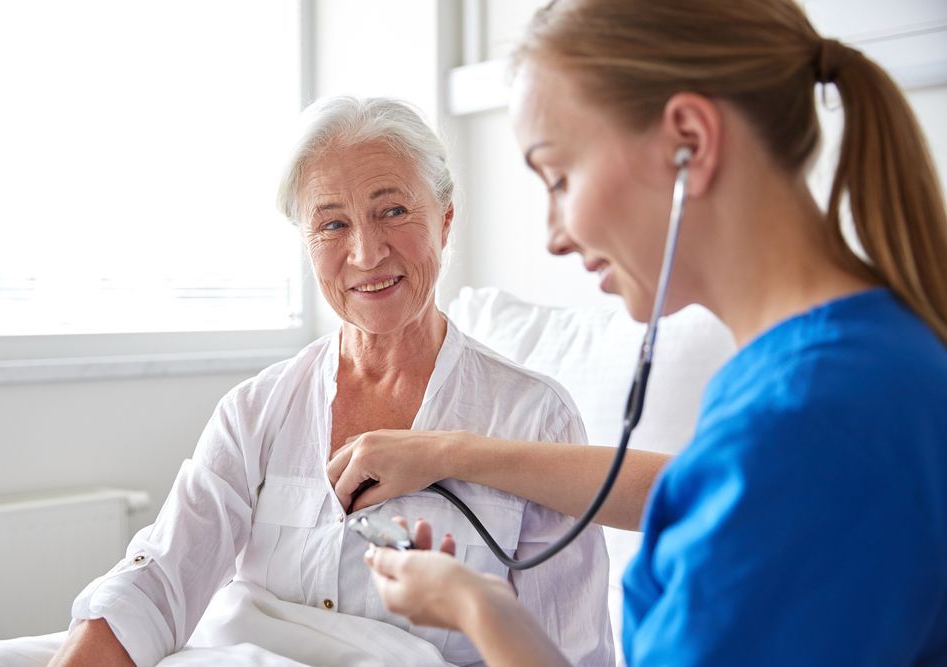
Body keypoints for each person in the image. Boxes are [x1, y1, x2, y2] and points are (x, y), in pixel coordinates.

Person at [327, 0, 947, 665]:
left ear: (690, 142)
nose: (555, 235)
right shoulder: (873, 357)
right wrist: (454, 469)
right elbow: (698, 488)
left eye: (560, 177)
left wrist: (476, 608)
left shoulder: (803, 424)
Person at [0, 98, 621, 667]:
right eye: (333, 222)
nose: (365, 252)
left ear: (446, 219)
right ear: (306, 241)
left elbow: (570, 652)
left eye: (392, 211)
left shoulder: (534, 420)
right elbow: (162, 574)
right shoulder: (258, 409)